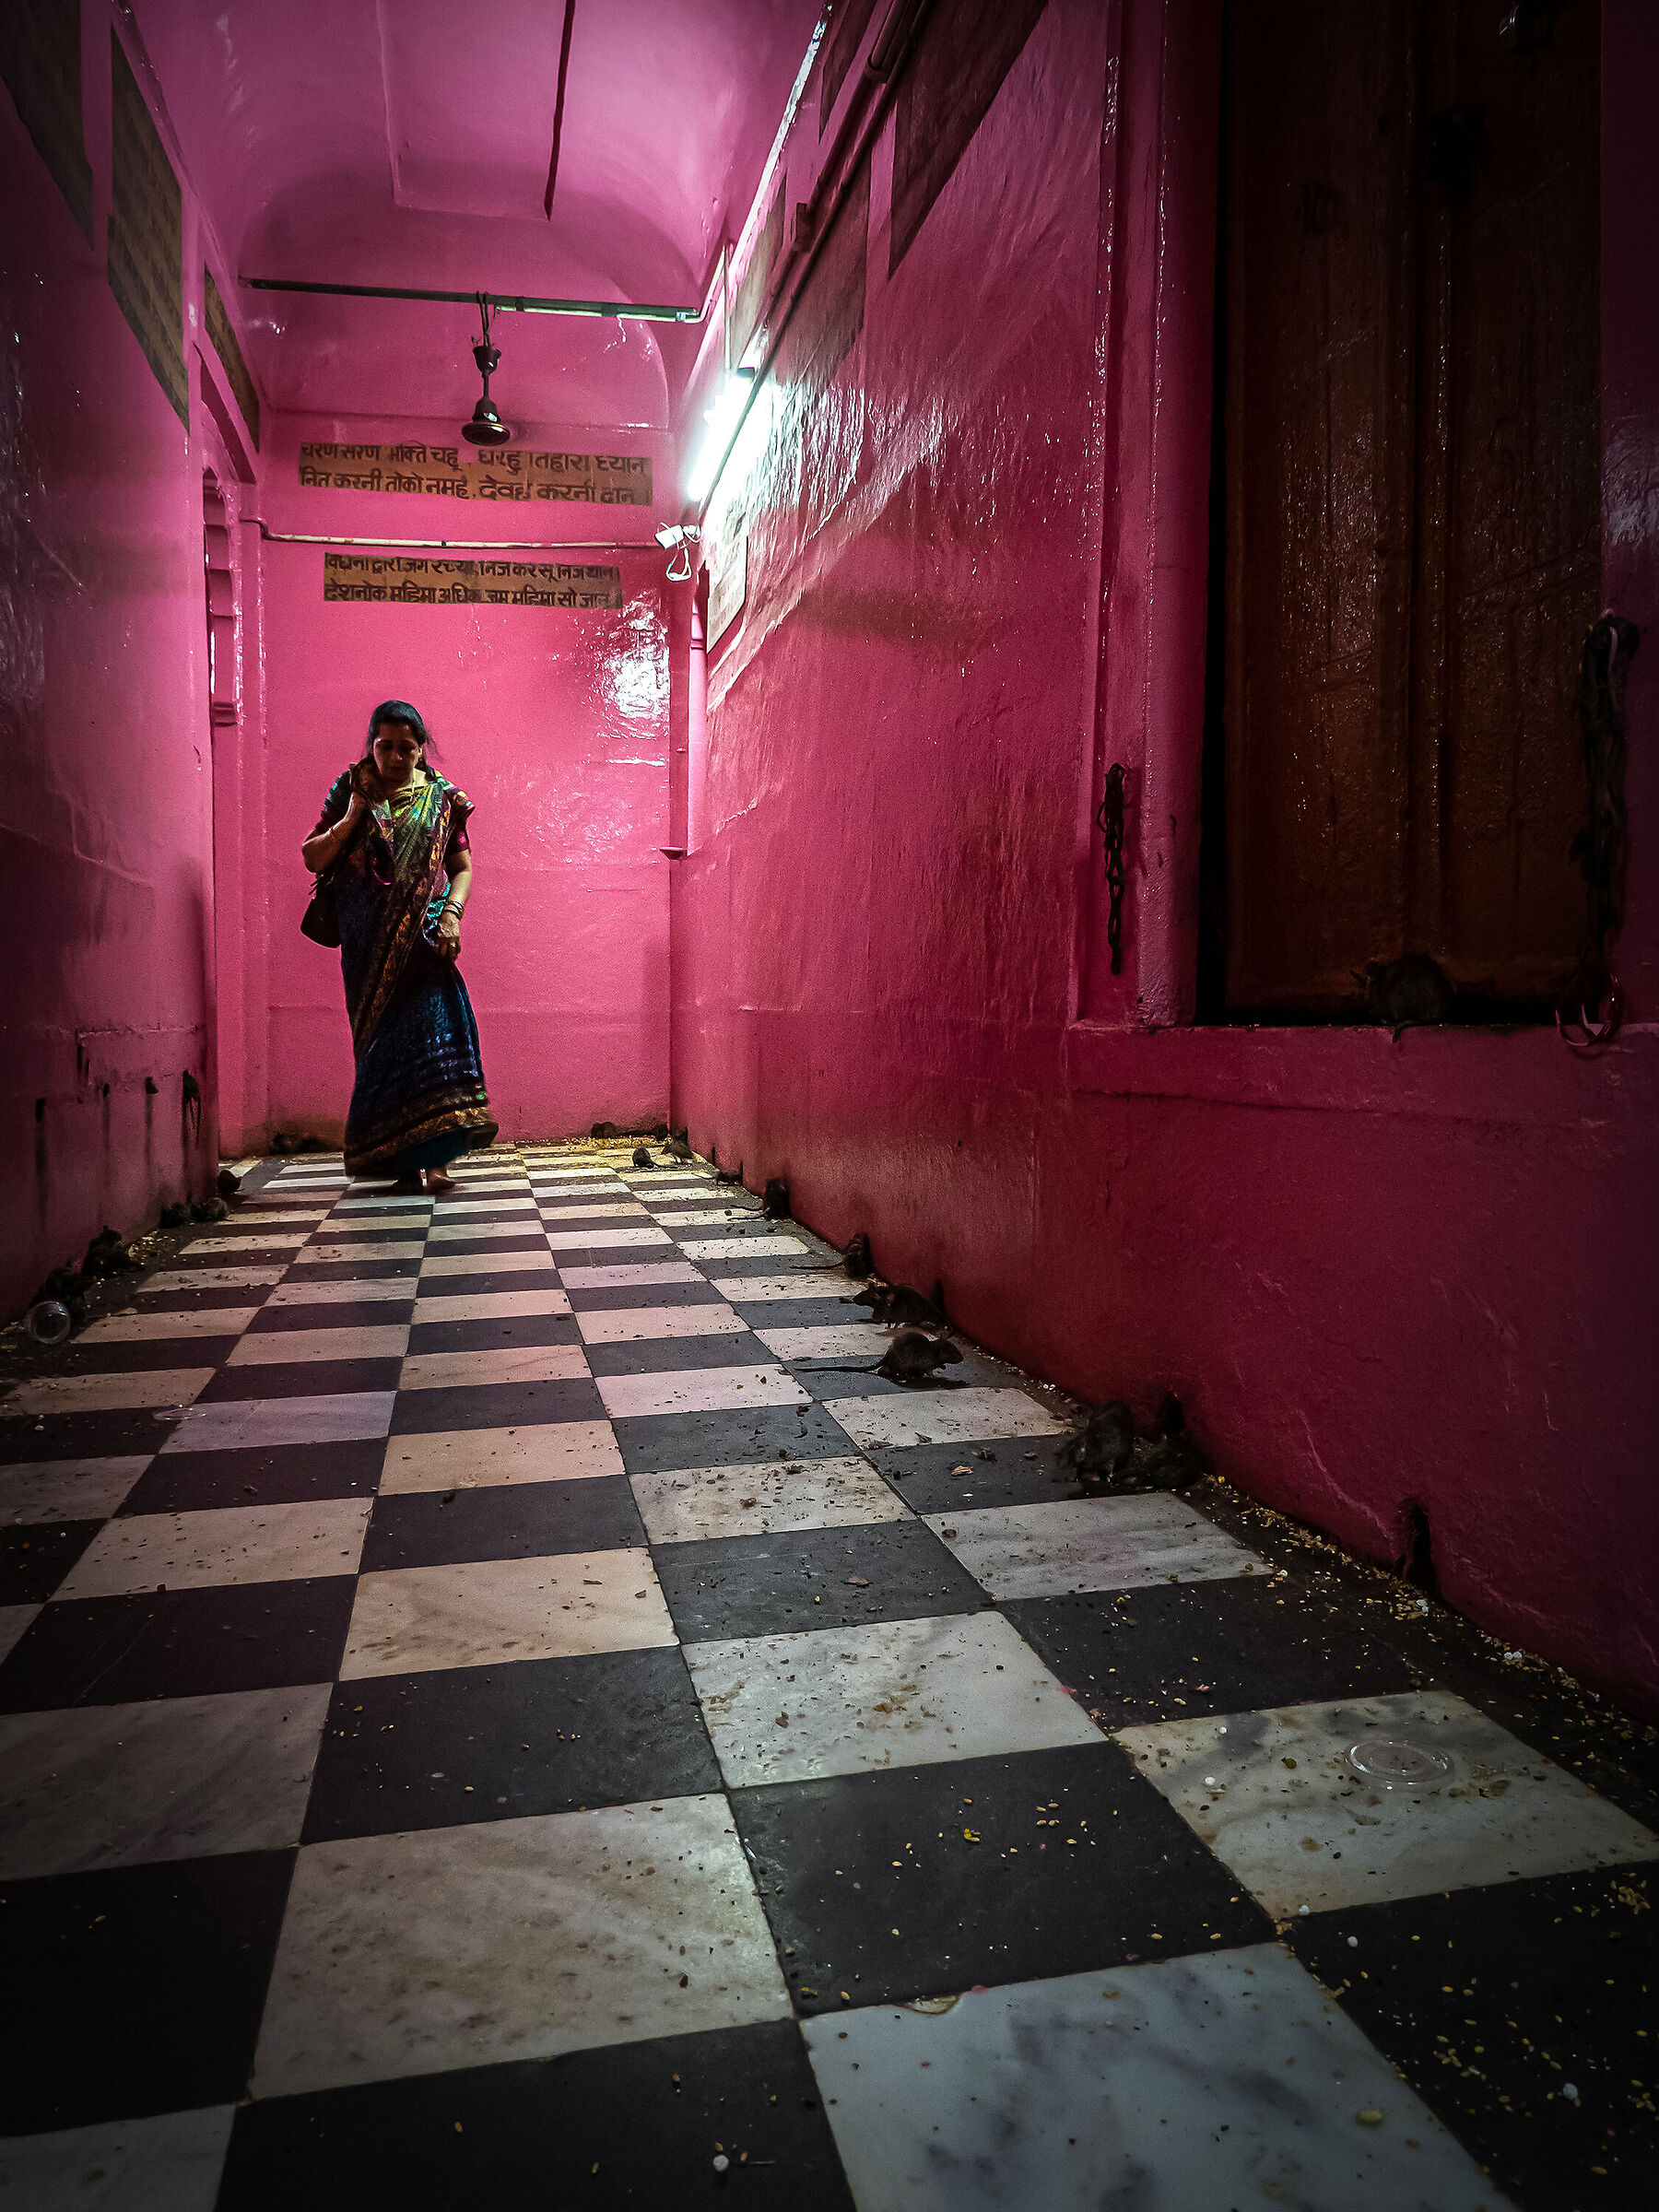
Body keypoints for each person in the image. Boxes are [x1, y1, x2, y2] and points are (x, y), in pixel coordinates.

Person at [301, 700, 497, 1193]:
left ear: (421, 749)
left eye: (405, 748)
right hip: (366, 948)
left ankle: (438, 1160)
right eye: (384, 746)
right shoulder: (351, 788)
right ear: (372, 744)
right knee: (383, 1052)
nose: (393, 757)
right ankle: (401, 1163)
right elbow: (312, 856)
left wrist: (452, 916)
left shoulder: (443, 800)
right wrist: (352, 817)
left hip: (426, 940)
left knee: (434, 1042)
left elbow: (462, 870)